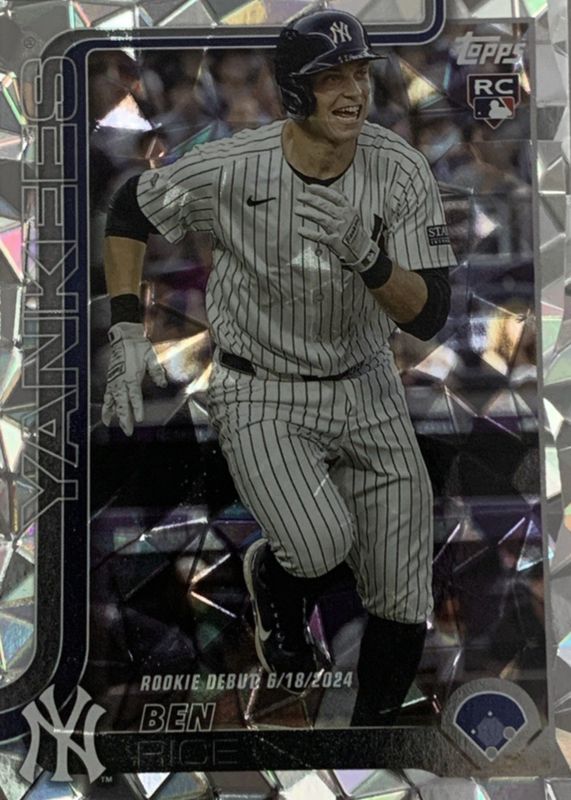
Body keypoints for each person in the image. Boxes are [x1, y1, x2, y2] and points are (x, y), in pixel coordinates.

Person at [101, 8, 457, 727]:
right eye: (332, 78)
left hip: (366, 384)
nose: (354, 91)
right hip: (260, 388)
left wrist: (369, 258)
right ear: (295, 90)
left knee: (402, 587)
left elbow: (429, 315)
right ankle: (275, 575)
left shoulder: (399, 168)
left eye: (359, 74)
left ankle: (371, 736)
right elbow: (129, 209)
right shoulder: (234, 165)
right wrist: (126, 328)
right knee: (319, 543)